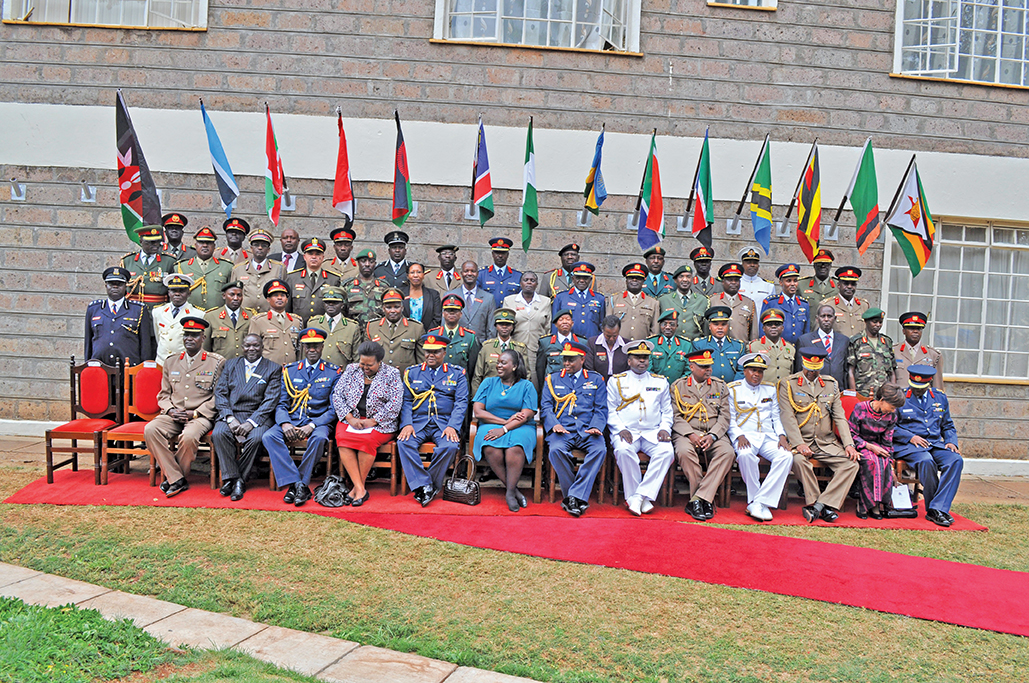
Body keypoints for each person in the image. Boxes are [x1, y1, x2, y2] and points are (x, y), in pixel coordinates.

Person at [144, 316, 225, 497]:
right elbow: (163, 394)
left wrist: (195, 413)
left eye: (194, 335)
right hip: (173, 414)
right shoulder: (171, 361)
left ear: (203, 338)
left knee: (188, 437)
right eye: (186, 334)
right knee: (150, 429)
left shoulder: (216, 362)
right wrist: (170, 410)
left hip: (200, 416)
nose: (189, 338)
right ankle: (177, 478)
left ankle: (173, 478)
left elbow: (218, 397)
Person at [779, 346, 860, 523]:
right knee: (799, 461)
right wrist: (798, 443)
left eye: (815, 370)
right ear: (803, 365)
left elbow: (839, 417)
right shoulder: (788, 383)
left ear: (821, 367)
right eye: (809, 369)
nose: (811, 373)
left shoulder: (831, 384)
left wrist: (848, 444)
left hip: (826, 442)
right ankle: (817, 502)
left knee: (851, 464)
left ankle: (819, 506)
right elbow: (788, 416)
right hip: (802, 441)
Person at [263, 328, 341, 506]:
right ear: (303, 348)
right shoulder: (290, 370)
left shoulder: (333, 372)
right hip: (292, 419)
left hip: (318, 421)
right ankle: (297, 483)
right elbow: (282, 403)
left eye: (316, 346)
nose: (312, 350)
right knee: (269, 436)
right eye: (308, 346)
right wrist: (284, 424)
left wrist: (312, 426)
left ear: (322, 347)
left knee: (319, 438)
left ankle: (299, 484)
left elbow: (333, 408)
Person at [397, 334, 470, 506]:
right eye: (428, 351)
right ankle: (426, 485)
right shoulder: (412, 372)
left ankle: (425, 486)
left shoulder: (457, 373)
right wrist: (407, 424)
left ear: (444, 353)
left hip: (443, 424)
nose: (430, 355)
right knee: (404, 443)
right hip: (418, 423)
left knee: (450, 446)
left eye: (435, 352)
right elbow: (406, 401)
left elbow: (461, 402)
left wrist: (453, 426)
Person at [332, 341, 404, 506]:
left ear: (379, 362)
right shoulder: (351, 370)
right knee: (342, 439)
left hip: (380, 423)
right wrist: (349, 418)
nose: (365, 367)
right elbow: (337, 395)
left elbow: (395, 403)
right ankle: (360, 488)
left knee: (367, 441)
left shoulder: (391, 374)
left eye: (369, 365)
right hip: (352, 419)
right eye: (362, 363)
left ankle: (356, 489)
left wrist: (373, 421)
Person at [211, 333, 282, 501]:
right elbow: (220, 394)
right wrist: (229, 418)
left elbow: (270, 401)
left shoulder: (273, 368)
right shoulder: (230, 365)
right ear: (242, 347)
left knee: (257, 438)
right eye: (248, 346)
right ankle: (235, 479)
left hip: (258, 415)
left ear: (262, 347)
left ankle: (236, 480)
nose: (252, 349)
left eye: (256, 345)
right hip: (231, 414)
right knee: (218, 434)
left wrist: (251, 423)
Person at [607, 340, 674, 516]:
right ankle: (640, 498)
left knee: (667, 452)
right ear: (629, 361)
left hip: (653, 432)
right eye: (638, 357)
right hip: (627, 431)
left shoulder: (660, 382)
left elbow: (667, 410)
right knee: (622, 451)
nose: (642, 361)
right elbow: (610, 409)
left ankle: (638, 496)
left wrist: (665, 428)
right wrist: (620, 428)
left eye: (645, 358)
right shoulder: (616, 381)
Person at [541, 341, 608, 517]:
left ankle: (572, 496)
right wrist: (554, 424)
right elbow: (546, 406)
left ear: (582, 359)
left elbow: (601, 408)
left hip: (587, 430)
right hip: (563, 430)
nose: (566, 364)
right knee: (555, 450)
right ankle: (577, 496)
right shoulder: (552, 379)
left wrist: (595, 426)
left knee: (600, 449)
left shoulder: (595, 379)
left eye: (571, 360)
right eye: (565, 360)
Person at [893, 365, 962, 527]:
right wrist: (910, 437)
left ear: (929, 383)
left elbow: (948, 425)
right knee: (926, 461)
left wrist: (951, 441)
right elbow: (890, 427)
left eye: (921, 388)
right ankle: (937, 509)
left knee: (955, 460)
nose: (917, 391)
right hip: (910, 446)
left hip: (935, 444)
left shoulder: (939, 397)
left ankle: (936, 508)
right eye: (914, 387)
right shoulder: (900, 397)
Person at [727, 353, 793, 522]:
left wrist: (781, 435)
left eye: (760, 371)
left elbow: (775, 417)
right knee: (745, 455)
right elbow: (730, 418)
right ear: (744, 371)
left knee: (786, 456)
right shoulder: (733, 389)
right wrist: (739, 435)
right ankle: (758, 502)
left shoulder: (770, 389)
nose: (756, 375)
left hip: (767, 436)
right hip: (745, 436)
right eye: (753, 371)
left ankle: (759, 502)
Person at [671, 349, 735, 521]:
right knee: (684, 452)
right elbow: (675, 416)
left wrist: (713, 436)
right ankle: (703, 499)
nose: (708, 370)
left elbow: (725, 416)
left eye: (710, 367)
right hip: (687, 433)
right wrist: (691, 435)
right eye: (703, 367)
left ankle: (698, 499)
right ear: (691, 367)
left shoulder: (720, 386)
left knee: (727, 452)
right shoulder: (678, 386)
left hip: (713, 433)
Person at [472, 349, 539, 512]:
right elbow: (478, 411)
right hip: (491, 424)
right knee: (490, 447)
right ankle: (514, 490)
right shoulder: (488, 383)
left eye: (503, 362)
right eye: (498, 362)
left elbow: (526, 414)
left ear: (515, 366)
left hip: (521, 426)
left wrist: (504, 428)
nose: (499, 365)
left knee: (515, 449)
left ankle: (509, 493)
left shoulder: (527, 386)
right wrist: (503, 422)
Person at [847, 382, 907, 519]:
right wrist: (868, 446)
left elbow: (887, 441)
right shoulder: (860, 408)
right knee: (870, 462)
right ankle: (863, 504)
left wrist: (891, 463)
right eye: (891, 407)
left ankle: (877, 505)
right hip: (860, 443)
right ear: (881, 400)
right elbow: (851, 433)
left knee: (884, 462)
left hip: (879, 446)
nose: (892, 410)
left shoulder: (892, 416)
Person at [84, 266, 155, 367]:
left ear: (126, 286)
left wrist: (142, 369)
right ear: (105, 286)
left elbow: (145, 345)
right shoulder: (94, 309)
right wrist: (88, 365)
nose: (115, 287)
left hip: (128, 367)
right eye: (111, 284)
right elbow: (88, 342)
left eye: (119, 284)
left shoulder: (139, 310)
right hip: (100, 367)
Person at [503, 271, 551, 382]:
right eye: (526, 280)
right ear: (520, 283)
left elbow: (548, 328)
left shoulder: (545, 302)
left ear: (537, 284)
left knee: (534, 382)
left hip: (536, 349)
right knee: (513, 379)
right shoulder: (509, 300)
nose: (529, 282)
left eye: (532, 280)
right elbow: (504, 325)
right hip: (515, 348)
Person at [175, 226, 234, 311]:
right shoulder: (181, 267)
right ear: (195, 245)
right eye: (201, 242)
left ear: (214, 246)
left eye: (209, 243)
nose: (205, 245)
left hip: (217, 316)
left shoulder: (227, 267)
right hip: (190, 315)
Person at [285, 237, 342, 324]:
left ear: (322, 257)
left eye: (318, 254)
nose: (314, 257)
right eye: (310, 254)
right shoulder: (292, 278)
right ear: (304, 257)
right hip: (298, 328)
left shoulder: (333, 279)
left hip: (323, 327)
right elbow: (287, 308)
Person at [366, 289, 425, 371]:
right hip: (379, 379)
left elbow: (422, 361)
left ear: (402, 308)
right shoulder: (372, 327)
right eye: (388, 307)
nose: (393, 311)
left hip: (405, 379)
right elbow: (366, 358)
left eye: (396, 307)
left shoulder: (416, 328)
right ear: (383, 309)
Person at [247, 279, 302, 366]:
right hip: (268, 370)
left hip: (291, 370)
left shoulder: (296, 321)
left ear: (287, 299)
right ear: (268, 299)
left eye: (283, 295)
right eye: (275, 295)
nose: (279, 298)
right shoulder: (258, 321)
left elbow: (300, 350)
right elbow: (252, 349)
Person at [472, 308, 529, 393]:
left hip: (513, 394)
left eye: (508, 324)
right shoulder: (487, 347)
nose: (504, 327)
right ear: (496, 326)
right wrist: (476, 400)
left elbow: (526, 375)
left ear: (513, 326)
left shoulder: (520, 349)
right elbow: (477, 376)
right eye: (501, 324)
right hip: (489, 394)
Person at [153, 273, 203, 365]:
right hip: (162, 362)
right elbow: (158, 337)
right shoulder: (158, 312)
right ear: (168, 293)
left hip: (184, 362)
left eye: (181, 291)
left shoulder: (198, 314)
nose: (177, 294)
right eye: (173, 290)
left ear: (189, 293)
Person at [794, 304, 849, 386]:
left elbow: (846, 369)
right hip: (814, 388)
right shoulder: (804, 340)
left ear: (835, 318)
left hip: (838, 388)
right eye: (823, 316)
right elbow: (799, 369)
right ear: (817, 319)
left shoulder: (844, 340)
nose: (826, 319)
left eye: (829, 316)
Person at [307, 286, 361, 369]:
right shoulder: (313, 324)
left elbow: (357, 359)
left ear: (342, 305)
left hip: (342, 375)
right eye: (327, 302)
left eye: (335, 303)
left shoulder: (352, 327)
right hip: (317, 374)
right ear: (323, 304)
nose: (331, 305)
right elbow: (305, 353)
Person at [231, 228, 283, 313]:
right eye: (256, 245)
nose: (260, 248)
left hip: (269, 316)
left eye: (264, 245)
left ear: (269, 249)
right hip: (245, 317)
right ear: (251, 248)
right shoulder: (238, 269)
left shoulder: (279, 268)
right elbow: (233, 294)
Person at [121, 225, 173, 308]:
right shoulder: (128, 261)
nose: (155, 245)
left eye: (157, 242)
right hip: (133, 308)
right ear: (141, 241)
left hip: (158, 308)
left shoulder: (169, 261)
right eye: (151, 242)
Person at [847, 308, 896, 396]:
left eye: (880, 322)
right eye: (875, 322)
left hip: (883, 394)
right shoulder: (856, 341)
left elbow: (892, 372)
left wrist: (892, 392)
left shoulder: (886, 342)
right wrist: (853, 394)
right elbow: (851, 371)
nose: (878, 325)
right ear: (866, 321)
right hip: (862, 393)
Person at [426, 294, 480, 371]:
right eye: (448, 310)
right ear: (443, 314)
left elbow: (472, 367)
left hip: (461, 381)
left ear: (461, 314)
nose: (452, 313)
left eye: (455, 311)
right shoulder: (433, 335)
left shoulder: (469, 337)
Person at [536, 309, 593, 381]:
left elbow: (585, 366)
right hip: (553, 383)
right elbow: (540, 368)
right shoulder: (545, 342)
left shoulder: (582, 342)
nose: (565, 322)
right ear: (556, 324)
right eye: (561, 320)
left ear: (572, 323)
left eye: (568, 319)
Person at [552, 262, 605, 339]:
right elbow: (555, 324)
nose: (582, 280)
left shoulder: (599, 298)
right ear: (573, 279)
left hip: (591, 342)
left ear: (590, 279)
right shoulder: (561, 297)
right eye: (578, 277)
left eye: (585, 278)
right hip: (569, 343)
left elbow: (602, 324)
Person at [609, 262, 660, 342]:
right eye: (631, 278)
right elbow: (608, 326)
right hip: (619, 347)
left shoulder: (653, 303)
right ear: (626, 281)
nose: (634, 280)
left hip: (641, 349)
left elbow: (655, 331)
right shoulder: (614, 300)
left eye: (638, 278)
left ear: (643, 281)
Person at [445, 260, 496, 340]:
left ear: (477, 274)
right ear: (461, 273)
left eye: (473, 271)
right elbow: (444, 324)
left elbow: (491, 329)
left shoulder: (488, 298)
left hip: (480, 346)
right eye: (466, 271)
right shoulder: (450, 295)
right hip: (455, 344)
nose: (469, 274)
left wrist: (487, 347)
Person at [691, 307, 744, 383]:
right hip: (709, 388)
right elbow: (696, 369)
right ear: (710, 326)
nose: (720, 328)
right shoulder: (699, 345)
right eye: (716, 324)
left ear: (728, 326)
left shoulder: (738, 346)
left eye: (723, 324)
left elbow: (742, 369)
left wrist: (734, 385)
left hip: (732, 388)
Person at [761, 264, 809, 346]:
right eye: (788, 281)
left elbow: (807, 331)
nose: (793, 284)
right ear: (781, 283)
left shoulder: (804, 304)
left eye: (795, 280)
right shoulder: (771, 303)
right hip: (778, 349)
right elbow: (763, 330)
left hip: (799, 350)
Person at [894, 311, 944, 389]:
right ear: (903, 331)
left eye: (919, 329)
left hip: (924, 399)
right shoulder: (893, 352)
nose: (915, 331)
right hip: (900, 398)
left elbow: (938, 386)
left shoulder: (933, 354)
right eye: (911, 328)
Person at [203, 280, 251, 360]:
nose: (236, 298)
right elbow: (205, 347)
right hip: (221, 365)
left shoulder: (250, 316)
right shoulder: (211, 317)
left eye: (239, 295)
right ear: (224, 296)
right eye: (232, 295)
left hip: (244, 365)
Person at [747, 308, 796, 387]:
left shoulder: (790, 348)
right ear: (763, 328)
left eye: (777, 324)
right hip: (762, 390)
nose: (773, 327)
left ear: (782, 328)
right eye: (769, 324)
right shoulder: (753, 347)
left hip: (783, 391)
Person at [710, 262, 758, 342]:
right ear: (723, 282)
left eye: (736, 280)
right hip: (717, 348)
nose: (733, 283)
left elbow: (754, 332)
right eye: (729, 280)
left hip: (741, 349)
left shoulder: (749, 303)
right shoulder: (712, 300)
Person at [658, 265, 708, 340]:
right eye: (681, 277)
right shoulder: (663, 300)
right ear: (675, 280)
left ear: (692, 279)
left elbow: (706, 329)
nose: (685, 280)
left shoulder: (702, 300)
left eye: (688, 277)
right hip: (672, 347)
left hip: (694, 346)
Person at [820, 266, 870, 339]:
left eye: (853, 284)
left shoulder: (864, 305)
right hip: (837, 349)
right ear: (839, 285)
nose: (849, 287)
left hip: (859, 349)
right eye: (846, 284)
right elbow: (819, 334)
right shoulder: (827, 305)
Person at [345, 249, 389, 327]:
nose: (367, 264)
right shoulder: (348, 286)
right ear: (358, 263)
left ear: (375, 264)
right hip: (354, 331)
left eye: (371, 262)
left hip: (377, 331)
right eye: (363, 261)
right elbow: (341, 311)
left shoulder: (384, 286)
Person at [647, 309, 692, 385]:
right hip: (655, 386)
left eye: (672, 324)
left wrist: (678, 384)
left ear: (677, 326)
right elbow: (648, 368)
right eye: (664, 324)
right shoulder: (651, 343)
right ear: (660, 326)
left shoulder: (686, 345)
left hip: (678, 387)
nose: (668, 327)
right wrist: (659, 383)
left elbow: (689, 369)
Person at [477, 236, 522, 306]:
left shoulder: (518, 276)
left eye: (503, 253)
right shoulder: (482, 274)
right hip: (489, 315)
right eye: (497, 253)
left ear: (507, 255)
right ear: (492, 254)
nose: (500, 256)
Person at [586, 315, 629, 381]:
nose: (611, 339)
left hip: (621, 382)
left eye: (614, 336)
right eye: (608, 336)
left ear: (619, 331)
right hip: (597, 381)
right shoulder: (592, 343)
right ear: (602, 330)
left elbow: (629, 368)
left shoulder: (626, 344)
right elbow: (589, 367)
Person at [801, 250, 836, 325]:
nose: (822, 266)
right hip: (810, 331)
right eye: (819, 264)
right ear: (814, 266)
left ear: (830, 266)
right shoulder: (801, 285)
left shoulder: (838, 286)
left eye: (826, 264)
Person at [402, 262, 441, 330]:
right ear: (407, 276)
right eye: (412, 272)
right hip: (404, 335)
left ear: (423, 275)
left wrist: (426, 333)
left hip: (427, 335)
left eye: (419, 272)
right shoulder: (401, 293)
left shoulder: (434, 295)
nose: (416, 275)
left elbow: (437, 318)